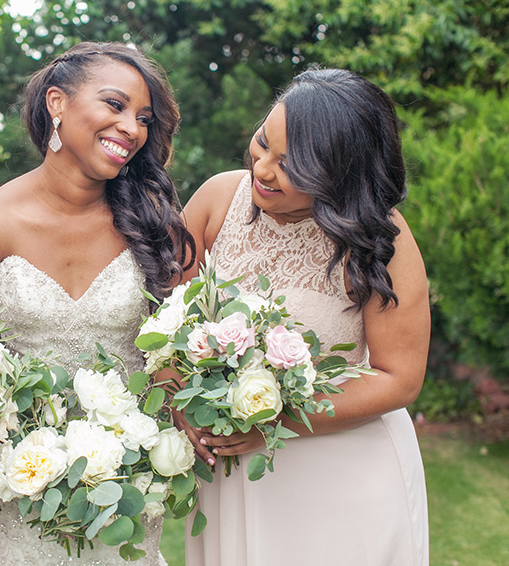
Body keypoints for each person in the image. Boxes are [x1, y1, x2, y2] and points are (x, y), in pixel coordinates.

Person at [0, 42, 194, 565]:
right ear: (57, 103)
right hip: (25, 495)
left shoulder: (154, 226)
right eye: (115, 105)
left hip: (130, 495)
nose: (133, 129)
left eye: (143, 118)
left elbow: (178, 361)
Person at [177, 68, 429, 565]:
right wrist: (182, 401)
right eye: (262, 142)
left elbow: (399, 379)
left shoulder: (380, 240)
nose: (263, 169)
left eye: (292, 165)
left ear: (341, 173)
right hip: (234, 475)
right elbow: (164, 323)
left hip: (342, 478)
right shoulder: (216, 201)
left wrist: (275, 416)